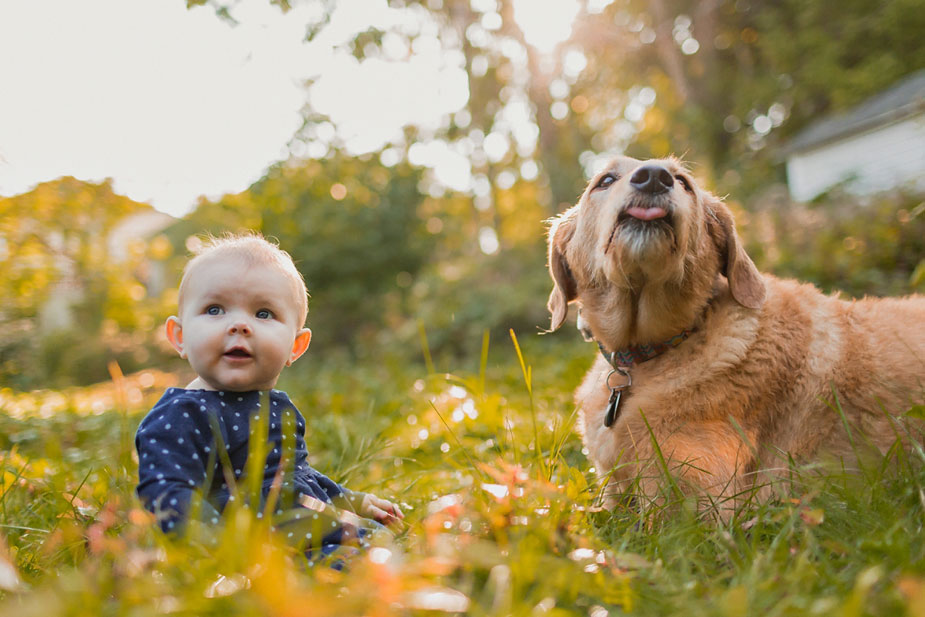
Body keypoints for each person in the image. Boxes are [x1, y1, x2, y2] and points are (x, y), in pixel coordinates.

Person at [135, 232, 402, 563]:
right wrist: (221, 547)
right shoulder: (180, 415)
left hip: (309, 527)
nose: (239, 325)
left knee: (386, 544)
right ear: (180, 336)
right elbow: (168, 493)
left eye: (263, 313)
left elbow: (297, 478)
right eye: (214, 309)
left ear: (295, 346)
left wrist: (349, 500)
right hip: (254, 547)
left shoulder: (279, 406)